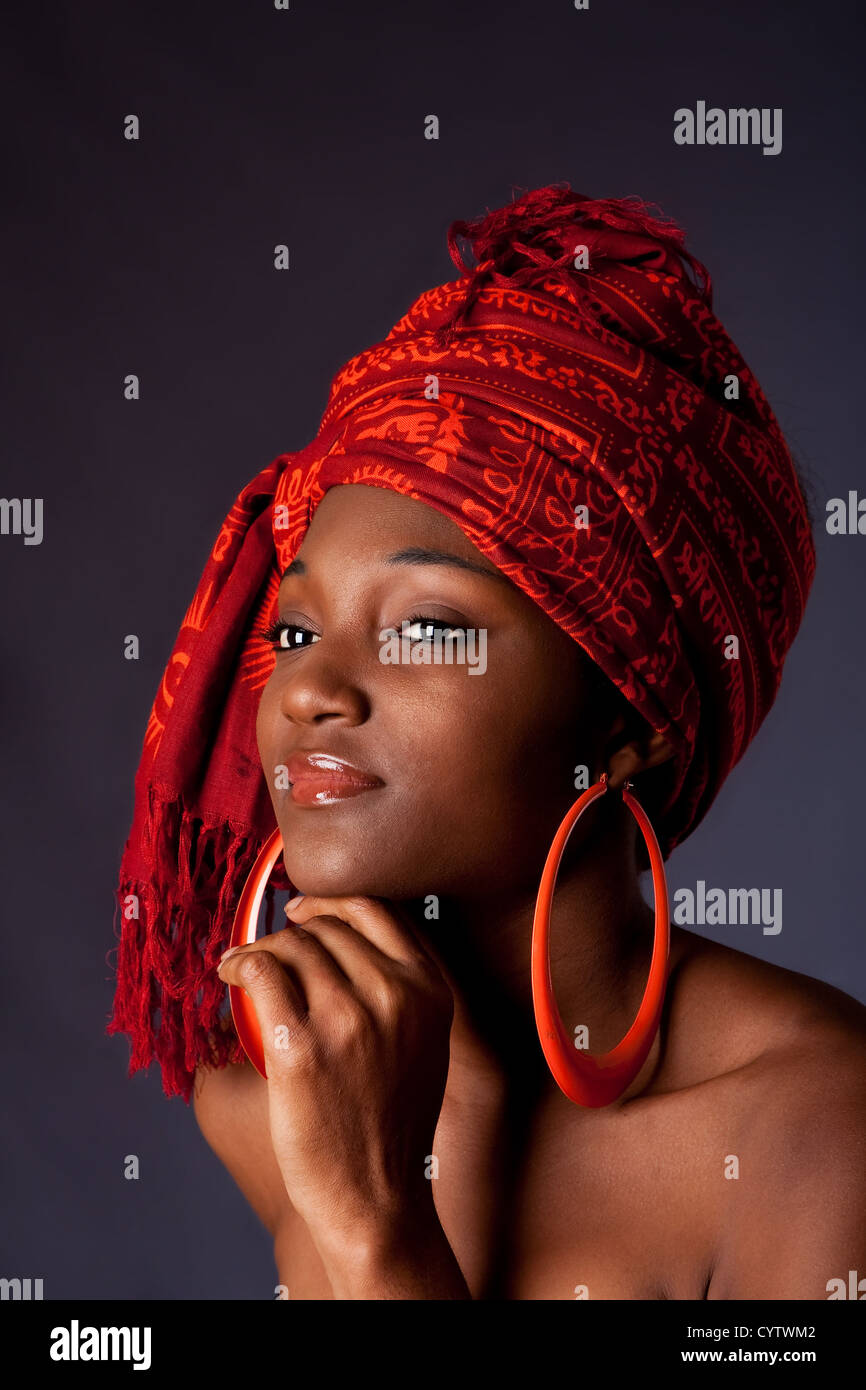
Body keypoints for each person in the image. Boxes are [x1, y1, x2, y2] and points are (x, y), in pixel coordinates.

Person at [108, 183, 866, 1300]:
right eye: (296, 625)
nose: (309, 685)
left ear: (631, 723)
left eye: (424, 627)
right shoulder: (275, 1098)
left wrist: (380, 1236)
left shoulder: (814, 1126)